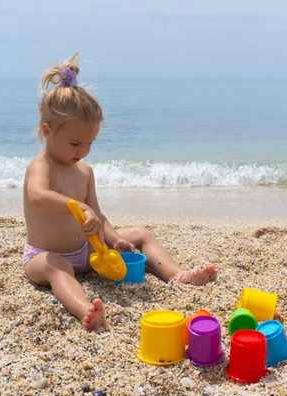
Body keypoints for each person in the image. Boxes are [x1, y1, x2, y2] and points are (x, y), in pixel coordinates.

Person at [22, 54, 217, 330]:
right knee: (58, 266)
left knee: (141, 234)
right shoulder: (41, 166)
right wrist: (78, 207)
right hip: (44, 255)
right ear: (47, 131)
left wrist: (114, 240)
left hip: (87, 251)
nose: (83, 151)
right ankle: (84, 310)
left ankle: (176, 275)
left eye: (90, 143)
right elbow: (38, 196)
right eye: (75, 143)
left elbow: (98, 215)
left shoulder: (85, 171)